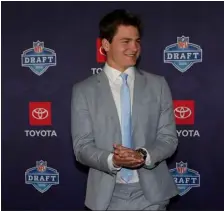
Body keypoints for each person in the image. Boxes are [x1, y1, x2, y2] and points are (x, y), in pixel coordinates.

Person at [71, 9, 179, 211]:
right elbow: (81, 147)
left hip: (152, 196)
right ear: (105, 44)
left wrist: (143, 155)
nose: (134, 48)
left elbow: (169, 139)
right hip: (107, 198)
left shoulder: (158, 85)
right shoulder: (83, 91)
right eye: (126, 41)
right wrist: (113, 159)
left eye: (137, 41)